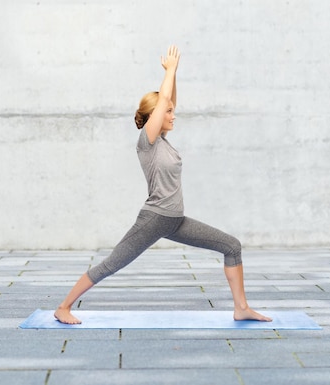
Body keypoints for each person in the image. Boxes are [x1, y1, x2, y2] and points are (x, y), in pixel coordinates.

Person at [54, 45, 271, 324]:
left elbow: (170, 100)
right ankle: (63, 307)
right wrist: (168, 72)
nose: (173, 115)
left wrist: (174, 74)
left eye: (171, 111)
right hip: (155, 219)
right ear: (155, 115)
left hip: (175, 220)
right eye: (167, 112)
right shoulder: (148, 142)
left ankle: (241, 308)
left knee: (231, 246)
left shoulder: (163, 143)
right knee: (112, 264)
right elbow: (165, 99)